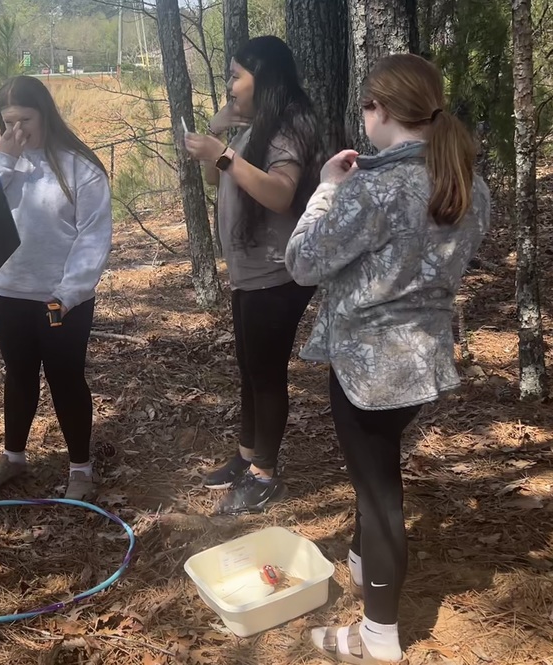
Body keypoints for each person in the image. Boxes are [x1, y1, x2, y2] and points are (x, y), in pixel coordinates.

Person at [285, 54, 489, 664]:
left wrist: (324, 188)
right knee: (377, 481)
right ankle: (360, 562)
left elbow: (301, 262)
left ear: (379, 111)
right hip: (424, 363)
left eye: (364, 109)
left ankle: (377, 636)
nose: (363, 120)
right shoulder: (469, 183)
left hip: (367, 369)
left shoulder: (373, 188)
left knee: (380, 498)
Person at [0, 76, 113, 502]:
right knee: (19, 374)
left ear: (45, 113)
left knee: (65, 378)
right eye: (9, 122)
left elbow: (92, 237)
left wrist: (70, 292)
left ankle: (80, 466)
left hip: (61, 296)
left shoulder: (79, 166)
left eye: (25, 119)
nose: (18, 130)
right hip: (7, 290)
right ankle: (14, 456)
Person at [183, 35, 324, 514]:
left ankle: (265, 474)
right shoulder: (252, 125)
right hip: (248, 271)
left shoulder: (289, 125)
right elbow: (215, 177)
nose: (229, 85)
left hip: (278, 271)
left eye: (235, 76)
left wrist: (223, 153)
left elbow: (281, 194)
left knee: (266, 375)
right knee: (249, 368)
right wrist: (218, 137)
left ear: (263, 79)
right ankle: (246, 457)